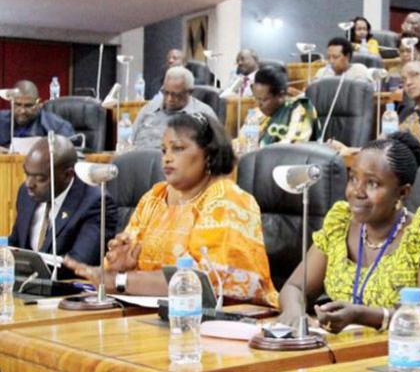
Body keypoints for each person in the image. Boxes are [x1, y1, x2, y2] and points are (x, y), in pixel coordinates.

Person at [65, 113, 278, 307]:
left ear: (209, 154)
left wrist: (121, 280)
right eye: (164, 150)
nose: (167, 157)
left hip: (223, 321)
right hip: (152, 313)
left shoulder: (228, 200)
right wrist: (122, 266)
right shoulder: (155, 197)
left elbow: (202, 282)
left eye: (178, 148)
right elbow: (124, 267)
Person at [278, 132, 420, 333]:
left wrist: (364, 315)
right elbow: (295, 288)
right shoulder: (341, 225)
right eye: (353, 179)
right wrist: (295, 312)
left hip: (403, 355)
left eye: (372, 183)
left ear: (403, 192)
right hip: (339, 354)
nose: (357, 192)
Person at [8, 135, 116, 273]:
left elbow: (78, 265)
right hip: (24, 287)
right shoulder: (26, 193)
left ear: (67, 175)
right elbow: (15, 244)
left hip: (67, 289)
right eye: (27, 174)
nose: (29, 184)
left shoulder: (96, 203)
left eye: (40, 178)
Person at [131, 66, 218, 149]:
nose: (169, 99)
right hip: (139, 160)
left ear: (190, 92)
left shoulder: (203, 115)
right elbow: (130, 140)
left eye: (175, 95)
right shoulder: (150, 108)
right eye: (165, 92)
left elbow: (216, 151)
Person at [249, 64, 319, 145]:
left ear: (281, 95)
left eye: (264, 99)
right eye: (257, 98)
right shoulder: (263, 113)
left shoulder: (301, 108)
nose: (259, 104)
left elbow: (290, 146)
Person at [0, 80, 74, 148]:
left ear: (39, 104)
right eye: (18, 104)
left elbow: (71, 151)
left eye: (28, 106)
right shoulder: (1, 120)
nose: (22, 111)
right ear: (11, 102)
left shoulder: (57, 126)